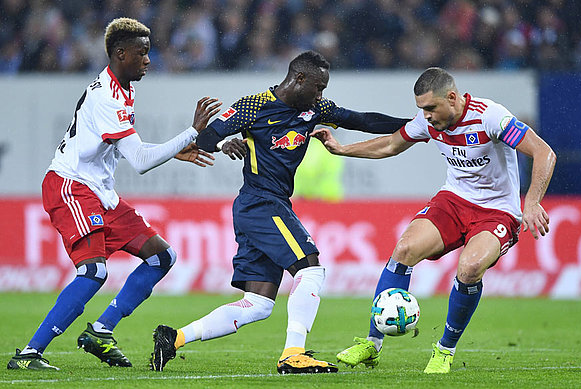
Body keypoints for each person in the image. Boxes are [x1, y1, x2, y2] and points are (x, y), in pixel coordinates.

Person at [150, 50, 410, 374]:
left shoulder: (316, 109)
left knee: (258, 304)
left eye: (323, 89)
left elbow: (362, 120)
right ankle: (293, 354)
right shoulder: (254, 106)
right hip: (261, 203)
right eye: (318, 87)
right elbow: (207, 135)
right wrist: (221, 145)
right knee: (311, 269)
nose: (321, 95)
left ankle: (173, 339)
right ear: (299, 79)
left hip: (265, 205)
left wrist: (414, 128)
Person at [7, 17, 242, 371]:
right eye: (142, 53)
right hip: (70, 185)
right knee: (94, 272)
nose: (148, 60)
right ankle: (28, 355)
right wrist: (191, 131)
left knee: (162, 257)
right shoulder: (107, 97)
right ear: (120, 54)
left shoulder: (123, 89)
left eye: (148, 52)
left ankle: (101, 331)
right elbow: (142, 161)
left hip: (99, 191)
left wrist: (175, 149)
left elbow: (125, 146)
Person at [313, 67, 556, 374]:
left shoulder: (490, 117)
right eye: (421, 110)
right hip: (453, 201)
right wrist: (341, 149)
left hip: (497, 211)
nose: (425, 116)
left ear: (452, 97)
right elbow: (390, 144)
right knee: (404, 250)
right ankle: (371, 344)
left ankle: (444, 350)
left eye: (430, 108)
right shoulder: (428, 122)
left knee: (469, 268)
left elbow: (543, 152)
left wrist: (532, 202)